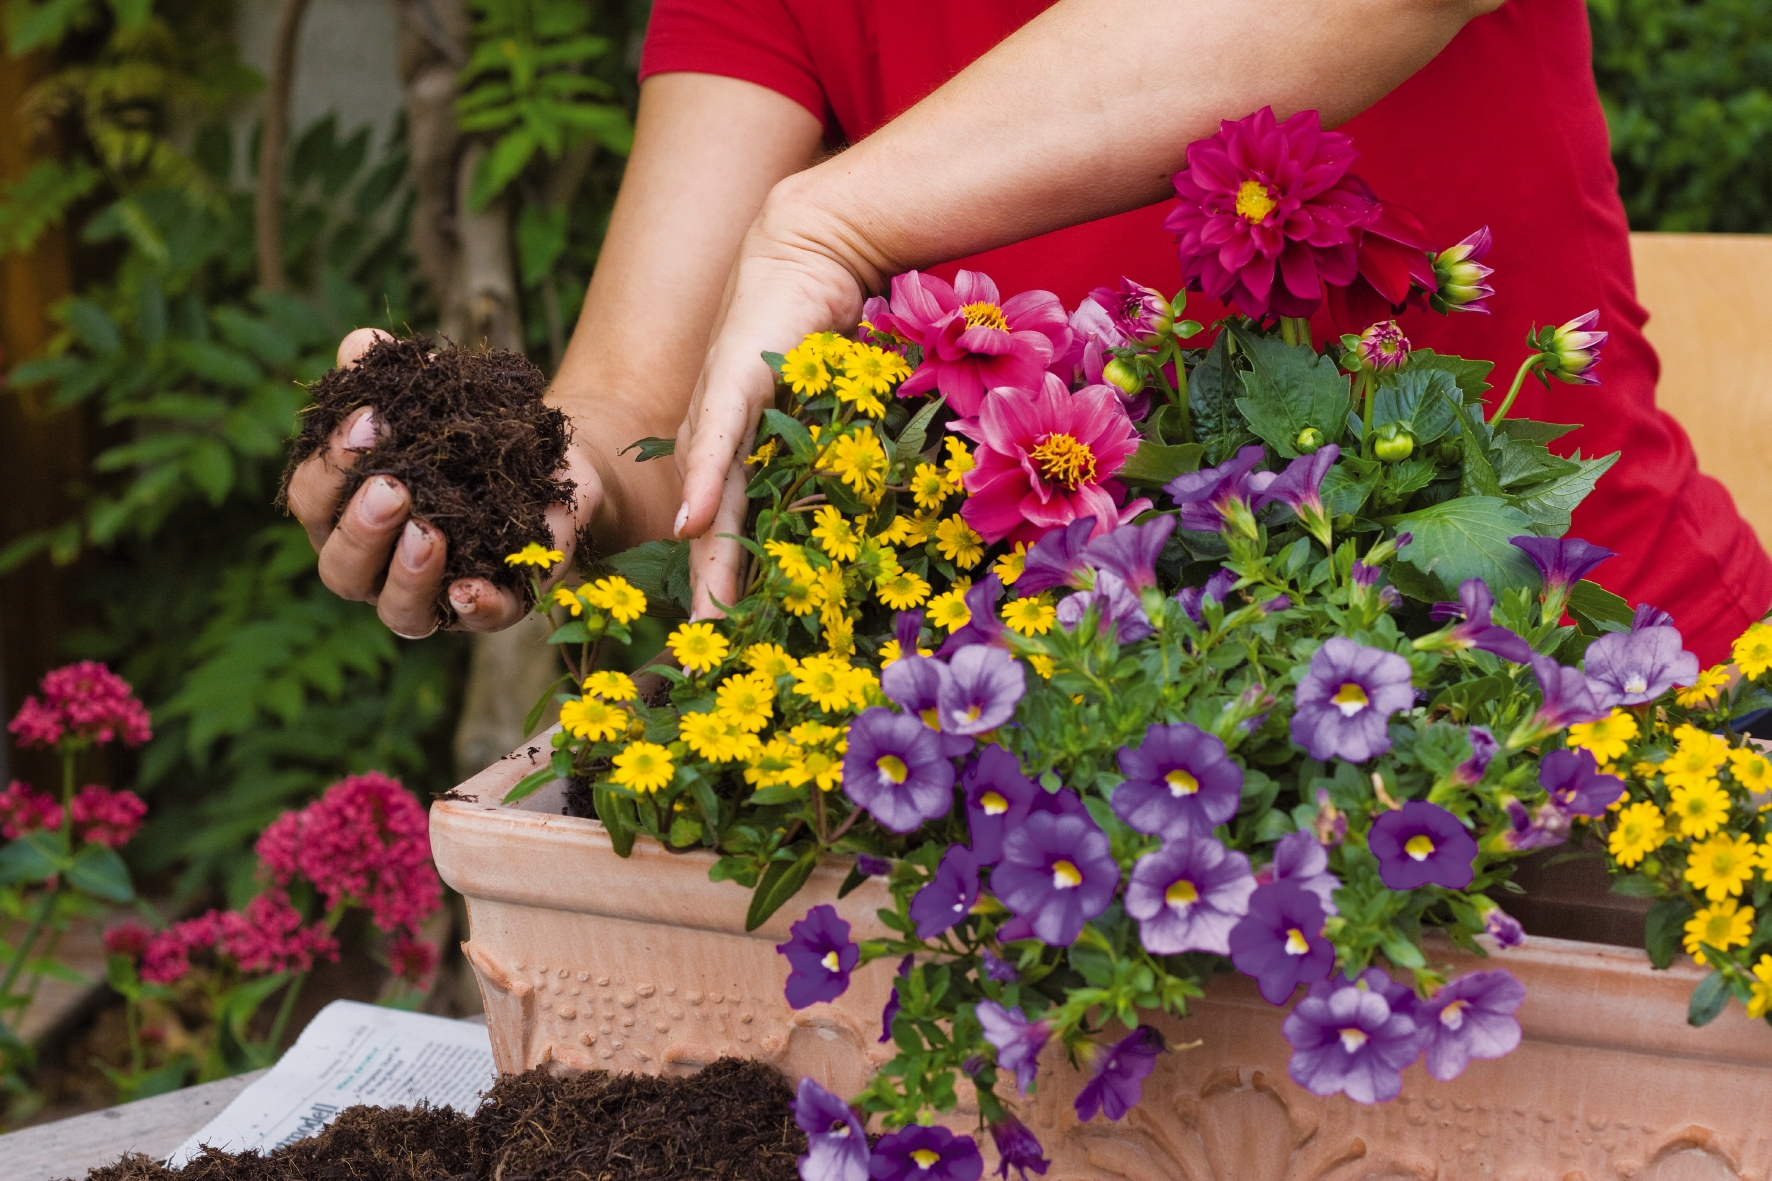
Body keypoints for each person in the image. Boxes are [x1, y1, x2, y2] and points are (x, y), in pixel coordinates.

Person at [285, 0, 1771, 666]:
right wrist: (535, 484)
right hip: (1124, 787)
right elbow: (637, 394)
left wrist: (834, 222)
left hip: (1593, 693)